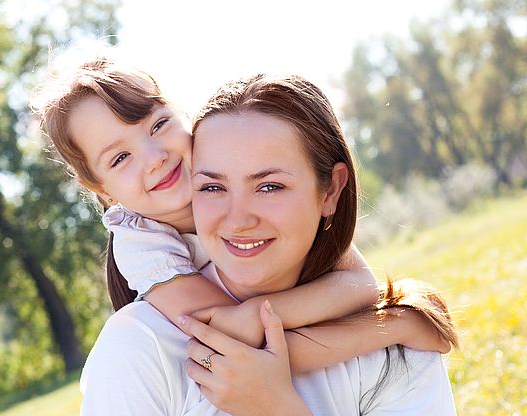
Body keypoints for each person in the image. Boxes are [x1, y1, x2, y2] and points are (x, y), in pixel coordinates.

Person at [67, 71, 527, 416]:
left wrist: (288, 415)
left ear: (330, 190)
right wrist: (386, 328)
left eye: (269, 185)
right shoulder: (140, 335)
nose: (239, 219)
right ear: (103, 190)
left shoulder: (388, 343)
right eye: (214, 187)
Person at [33, 56, 452, 374]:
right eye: (121, 157)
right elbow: (241, 345)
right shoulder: (143, 244)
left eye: (157, 125)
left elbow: (359, 283)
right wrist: (392, 327)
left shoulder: (233, 170)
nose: (155, 157)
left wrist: (261, 315)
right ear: (102, 190)